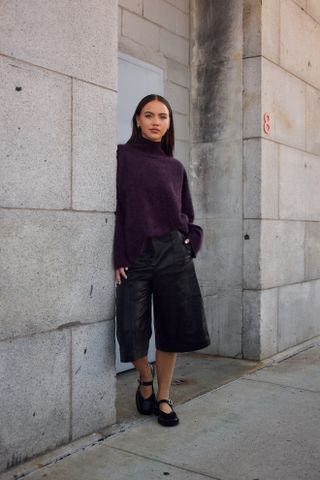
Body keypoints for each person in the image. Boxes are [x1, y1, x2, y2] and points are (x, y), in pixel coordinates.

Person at [113, 94, 210, 427]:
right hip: (137, 255)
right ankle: (144, 377)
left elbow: (187, 214)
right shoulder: (121, 157)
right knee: (130, 328)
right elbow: (119, 210)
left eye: (163, 116)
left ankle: (164, 397)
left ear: (169, 123)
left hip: (173, 254)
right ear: (138, 120)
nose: (156, 121)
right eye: (149, 115)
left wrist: (190, 242)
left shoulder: (175, 167)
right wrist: (119, 255)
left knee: (172, 330)